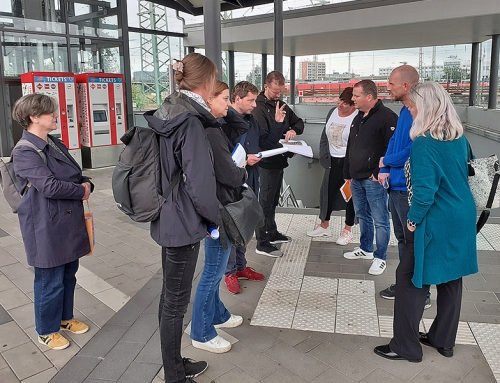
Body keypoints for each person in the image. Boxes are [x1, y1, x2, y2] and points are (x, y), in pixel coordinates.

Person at [374, 81, 478, 363]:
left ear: (426, 108)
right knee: (450, 278)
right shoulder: (459, 138)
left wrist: (412, 220)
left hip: (435, 218)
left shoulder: (424, 144)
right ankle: (443, 340)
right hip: (462, 216)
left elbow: (424, 193)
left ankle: (405, 346)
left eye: (412, 106)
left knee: (409, 279)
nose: (410, 111)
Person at [149, 53, 220, 383]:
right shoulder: (190, 121)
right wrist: (213, 218)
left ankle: (174, 364)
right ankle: (174, 376)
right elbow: (200, 181)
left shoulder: (168, 109)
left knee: (169, 297)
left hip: (166, 214)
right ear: (206, 83)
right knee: (175, 304)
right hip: (184, 221)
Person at [190, 81, 268, 353]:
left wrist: (224, 111)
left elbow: (241, 127)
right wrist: (243, 169)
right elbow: (229, 174)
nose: (228, 104)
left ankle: (217, 315)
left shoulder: (214, 126)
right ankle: (200, 332)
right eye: (224, 99)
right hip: (217, 208)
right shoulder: (209, 132)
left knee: (215, 263)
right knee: (213, 270)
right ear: (206, 100)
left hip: (217, 205)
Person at [11, 93, 92, 351]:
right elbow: (49, 186)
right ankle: (46, 330)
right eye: (51, 113)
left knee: (69, 275)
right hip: (44, 225)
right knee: (49, 280)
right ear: (34, 117)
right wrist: (82, 190)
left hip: (65, 221)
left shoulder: (53, 143)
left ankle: (65, 318)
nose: (57, 115)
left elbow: (74, 173)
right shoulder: (25, 151)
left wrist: (86, 182)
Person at [223, 81, 284, 294]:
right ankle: (229, 272)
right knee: (233, 224)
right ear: (237, 98)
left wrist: (277, 125)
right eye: (250, 100)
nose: (254, 105)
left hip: (251, 176)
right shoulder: (224, 121)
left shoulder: (252, 120)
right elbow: (221, 155)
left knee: (246, 222)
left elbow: (265, 144)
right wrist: (242, 161)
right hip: (232, 181)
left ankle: (240, 267)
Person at [378, 65, 431, 309]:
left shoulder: (420, 113)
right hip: (395, 186)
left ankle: (420, 291)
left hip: (407, 190)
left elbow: (413, 151)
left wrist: (387, 161)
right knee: (402, 240)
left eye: (391, 83)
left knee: (413, 242)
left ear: (406, 86)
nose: (387, 88)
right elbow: (394, 142)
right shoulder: (404, 111)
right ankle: (405, 284)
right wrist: (384, 168)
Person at [343, 80, 398, 275]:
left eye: (356, 96)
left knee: (380, 219)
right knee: (362, 214)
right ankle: (365, 248)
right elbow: (351, 145)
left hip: (373, 179)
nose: (353, 99)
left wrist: (378, 172)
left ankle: (380, 257)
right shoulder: (358, 116)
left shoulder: (388, 118)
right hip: (356, 177)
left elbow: (392, 148)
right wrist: (347, 172)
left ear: (369, 96)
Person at [252, 71, 304, 257]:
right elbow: (266, 139)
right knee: (264, 202)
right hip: (266, 161)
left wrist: (292, 130)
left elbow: (299, 122)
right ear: (266, 86)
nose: (278, 95)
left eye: (280, 92)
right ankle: (262, 241)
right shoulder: (258, 108)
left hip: (279, 159)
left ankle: (271, 233)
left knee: (273, 200)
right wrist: (278, 125)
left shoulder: (280, 104)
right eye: (275, 92)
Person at [307, 87, 357, 245]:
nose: (340, 104)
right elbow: (324, 136)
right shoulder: (332, 112)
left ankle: (348, 229)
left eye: (345, 103)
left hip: (349, 162)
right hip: (332, 160)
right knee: (327, 193)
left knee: (350, 196)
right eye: (340, 100)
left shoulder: (358, 116)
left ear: (354, 105)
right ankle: (324, 224)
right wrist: (324, 157)